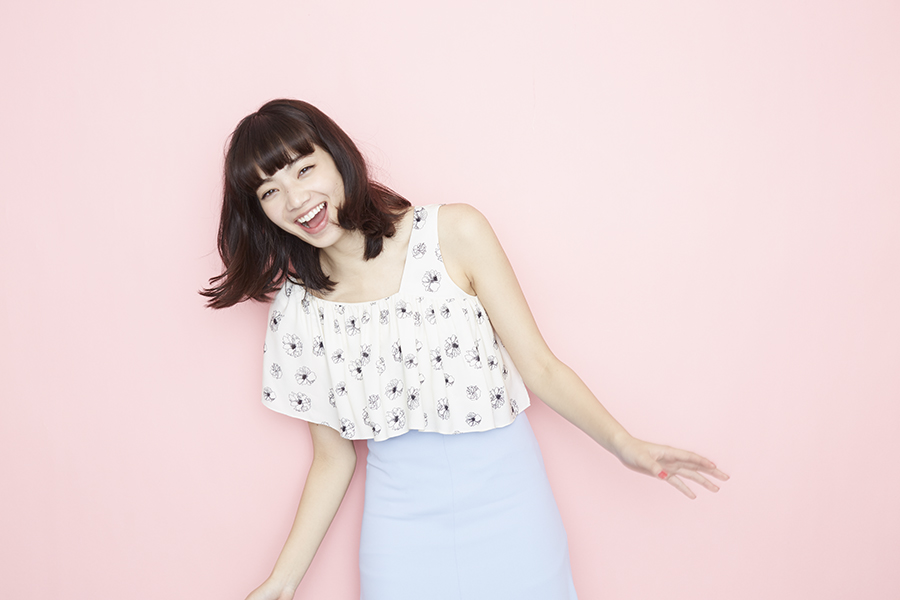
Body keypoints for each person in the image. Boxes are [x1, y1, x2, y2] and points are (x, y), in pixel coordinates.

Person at [203, 99, 728, 600]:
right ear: (259, 212)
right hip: (400, 528)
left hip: (510, 504)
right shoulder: (299, 310)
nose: (296, 199)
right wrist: (284, 580)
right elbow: (332, 457)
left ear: (338, 158)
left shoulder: (453, 233)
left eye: (304, 169)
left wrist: (624, 444)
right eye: (269, 192)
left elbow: (540, 367)